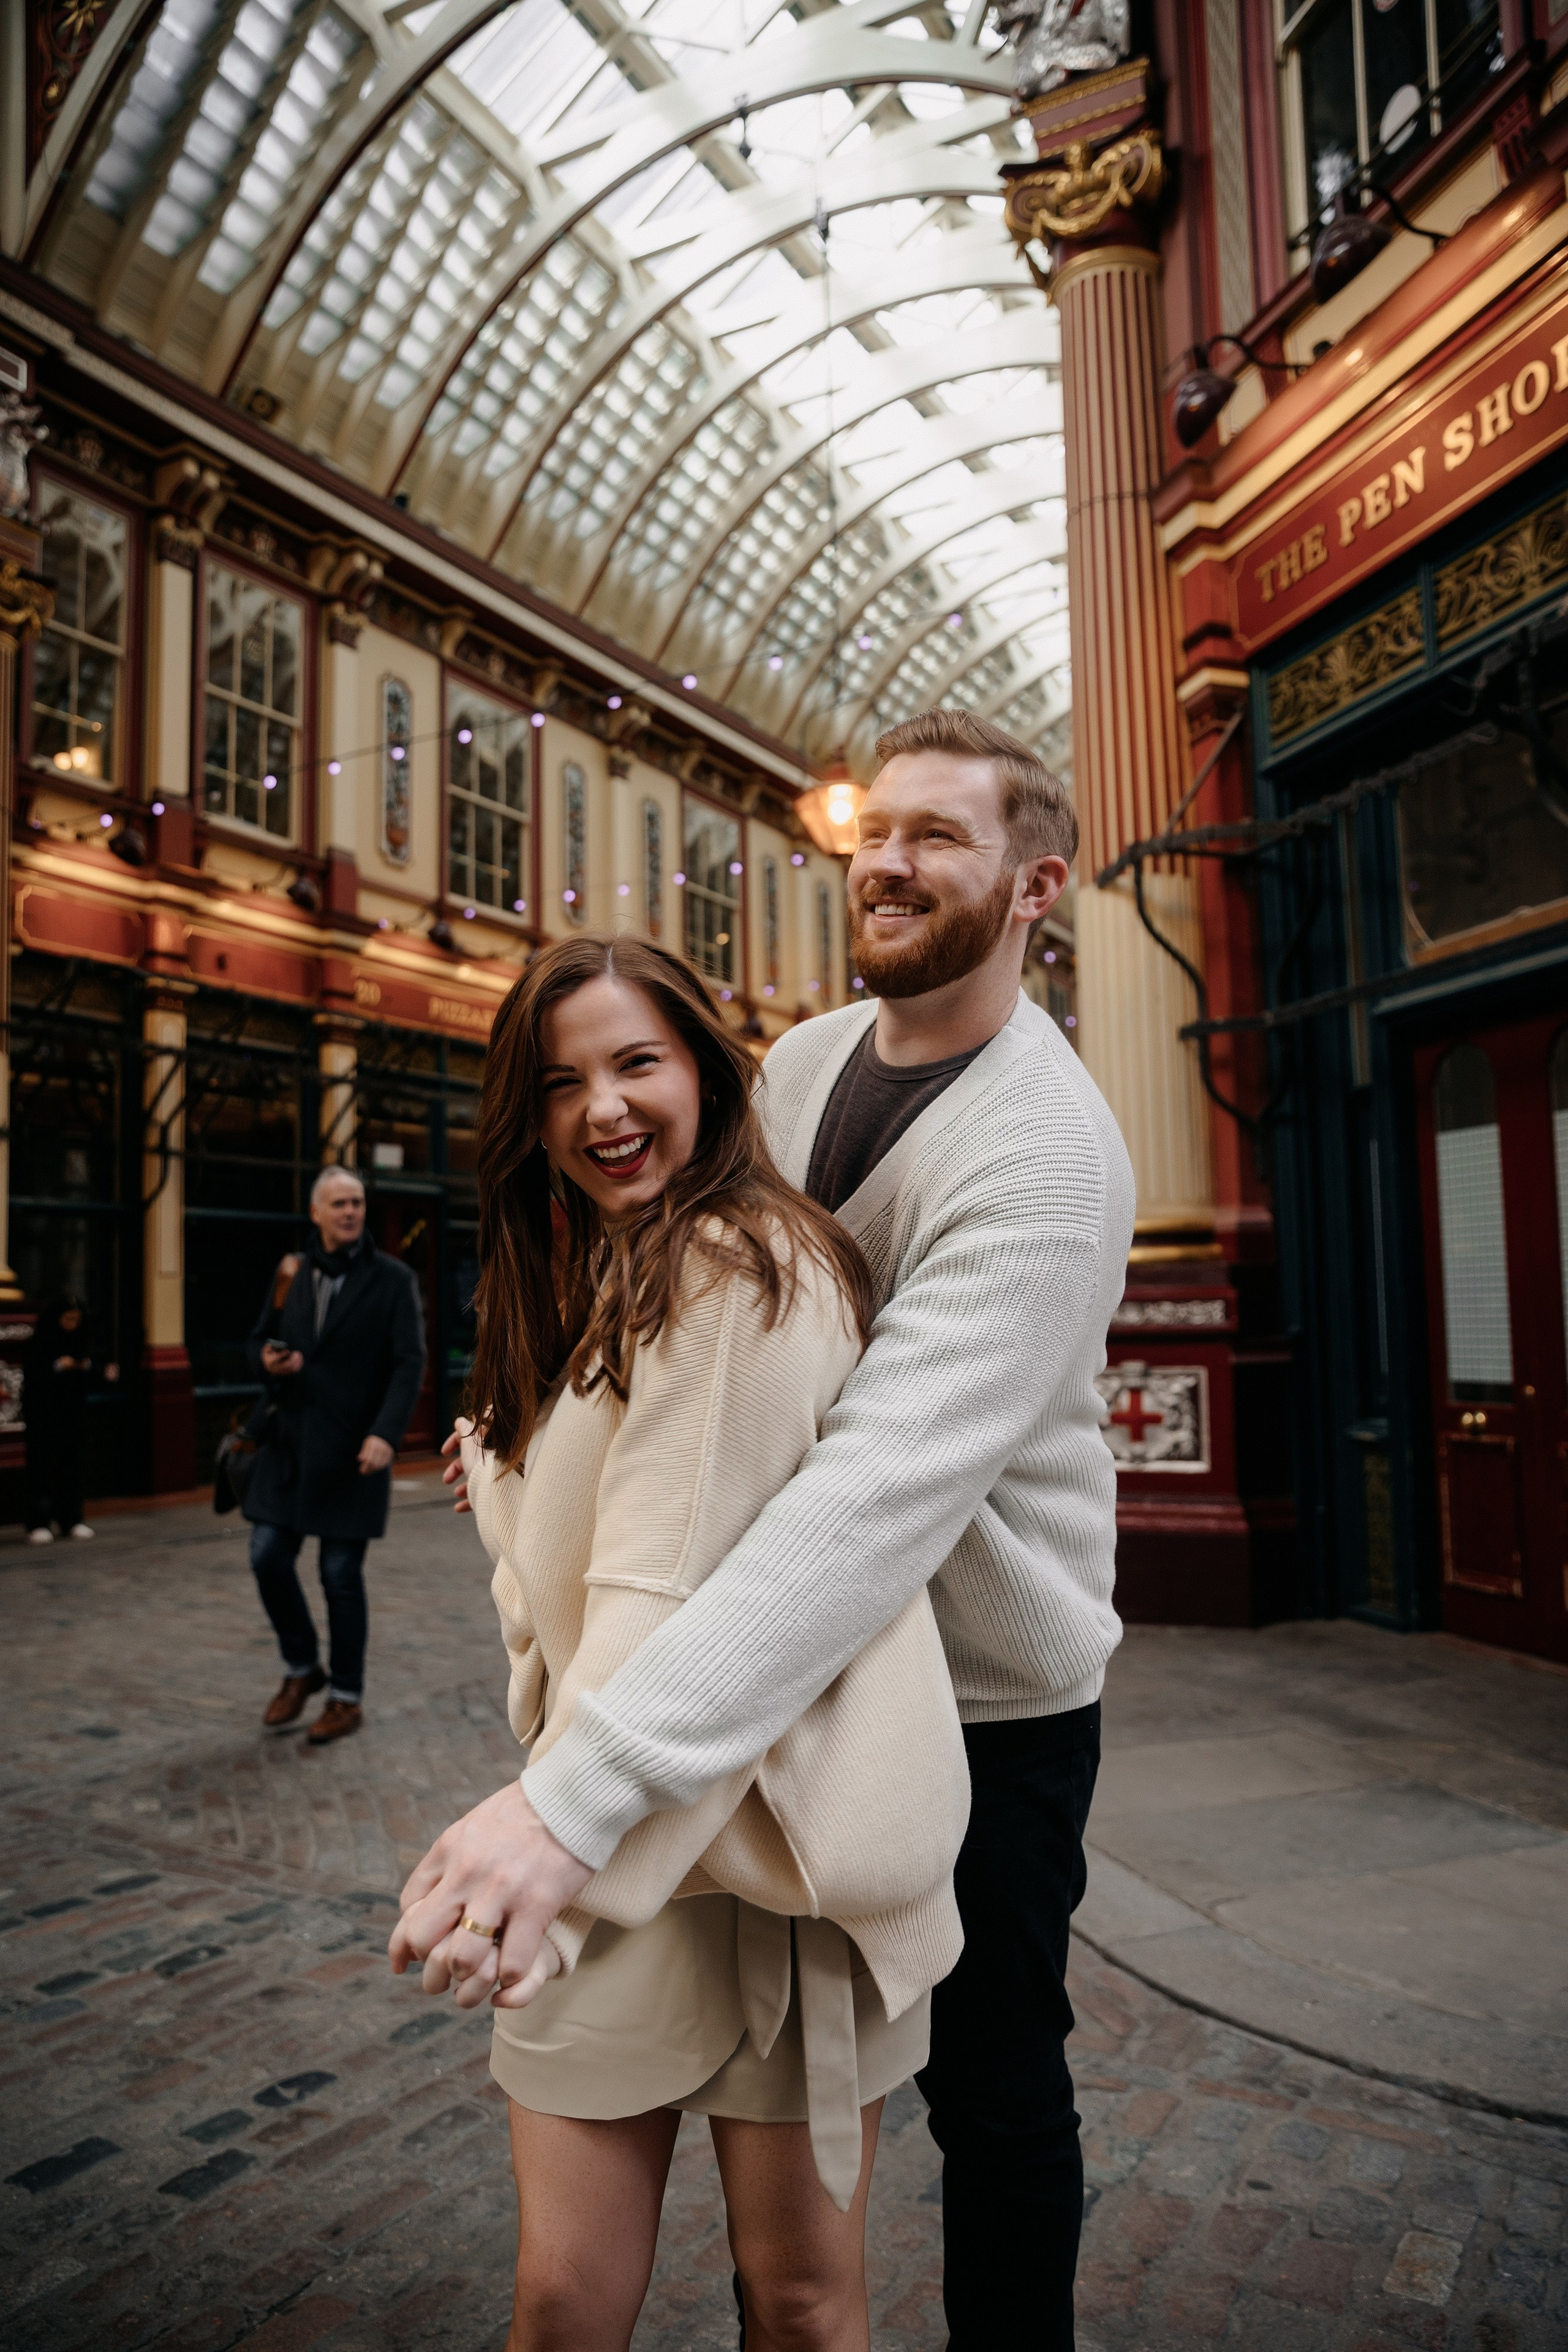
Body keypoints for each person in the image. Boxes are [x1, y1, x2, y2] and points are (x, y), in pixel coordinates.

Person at [410, 707, 1135, 2350]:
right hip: (772, 1673)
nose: (886, 860)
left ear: (1038, 884)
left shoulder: (1046, 1151)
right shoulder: (804, 1062)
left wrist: (574, 1800)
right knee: (805, 2148)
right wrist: (543, 1461)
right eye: (876, 831)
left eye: (938, 837)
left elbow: (867, 1500)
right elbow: (685, 1349)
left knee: (994, 2081)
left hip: (975, 1692)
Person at [392, 933, 970, 2352]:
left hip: (762, 1852)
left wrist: (552, 1844)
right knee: (566, 2296)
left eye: (636, 1060)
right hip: (632, 1825)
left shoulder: (735, 1262)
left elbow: (661, 1595)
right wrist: (514, 1465)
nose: (603, 1107)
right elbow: (585, 1572)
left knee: (797, 2302)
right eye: (560, 1080)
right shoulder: (595, 1266)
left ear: (704, 1070)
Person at [244, 1166, 426, 1745]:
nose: (351, 1212)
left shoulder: (393, 1279)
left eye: (357, 1203)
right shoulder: (290, 1272)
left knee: (339, 1573)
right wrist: (269, 1362)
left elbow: (409, 1362)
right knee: (267, 1554)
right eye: (339, 1204)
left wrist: (386, 1435)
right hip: (289, 1446)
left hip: (354, 1451)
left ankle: (346, 1698)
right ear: (316, 1213)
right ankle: (303, 1669)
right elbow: (257, 1340)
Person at [23, 1295, 117, 1543]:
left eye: (76, 1319)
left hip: (72, 1414)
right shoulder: (41, 1341)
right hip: (43, 1414)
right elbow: (32, 1377)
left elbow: (93, 1373)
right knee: (41, 1466)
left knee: (71, 1466)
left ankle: (71, 1520)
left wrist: (90, 1368)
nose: (72, 1324)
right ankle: (38, 1522)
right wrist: (57, 1366)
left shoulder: (82, 1339)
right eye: (68, 1319)